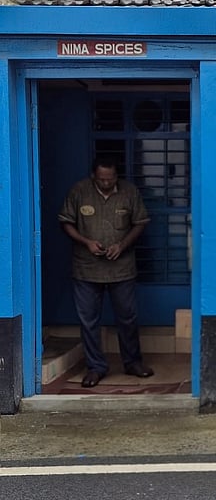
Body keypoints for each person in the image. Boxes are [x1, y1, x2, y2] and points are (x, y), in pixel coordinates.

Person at [58, 156, 154, 388]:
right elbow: (65, 222)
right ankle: (96, 367)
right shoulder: (79, 191)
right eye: (102, 179)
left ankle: (133, 362)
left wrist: (122, 245)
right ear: (94, 176)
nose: (106, 183)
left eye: (110, 179)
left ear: (116, 176)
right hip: (86, 269)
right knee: (89, 321)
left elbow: (141, 222)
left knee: (127, 318)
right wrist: (86, 242)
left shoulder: (129, 192)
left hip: (122, 268)